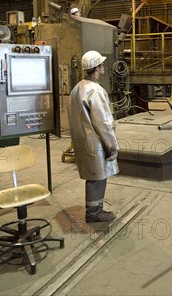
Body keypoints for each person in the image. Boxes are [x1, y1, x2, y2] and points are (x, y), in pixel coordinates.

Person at [69, 50, 119, 223]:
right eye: (101, 64)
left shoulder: (77, 89)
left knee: (93, 177)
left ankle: (93, 210)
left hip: (82, 141)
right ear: (98, 67)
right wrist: (112, 145)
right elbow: (103, 123)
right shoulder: (95, 91)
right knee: (97, 178)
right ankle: (94, 213)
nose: (103, 66)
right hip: (96, 143)